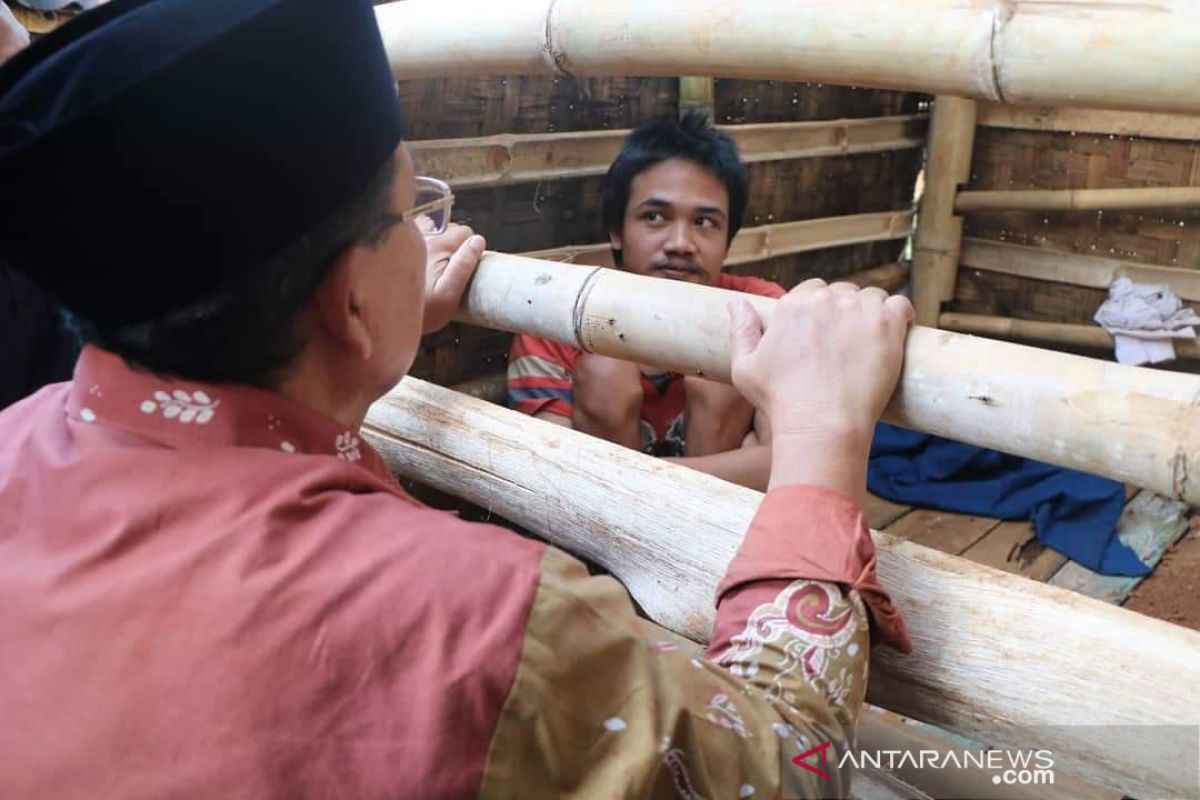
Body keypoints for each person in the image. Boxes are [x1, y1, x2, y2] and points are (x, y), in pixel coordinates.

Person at [0, 1, 913, 797]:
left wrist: (362, 351)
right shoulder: (482, 622)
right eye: (411, 213)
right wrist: (824, 437)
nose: (430, 236)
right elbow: (781, 767)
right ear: (348, 299)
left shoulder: (14, 444)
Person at [508, 114, 784, 490]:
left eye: (704, 222)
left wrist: (636, 478)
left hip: (724, 530)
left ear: (728, 238)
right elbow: (548, 474)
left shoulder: (762, 306)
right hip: (597, 530)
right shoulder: (553, 318)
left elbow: (794, 465)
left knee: (724, 374)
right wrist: (745, 465)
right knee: (605, 371)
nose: (681, 244)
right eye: (654, 217)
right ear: (617, 231)